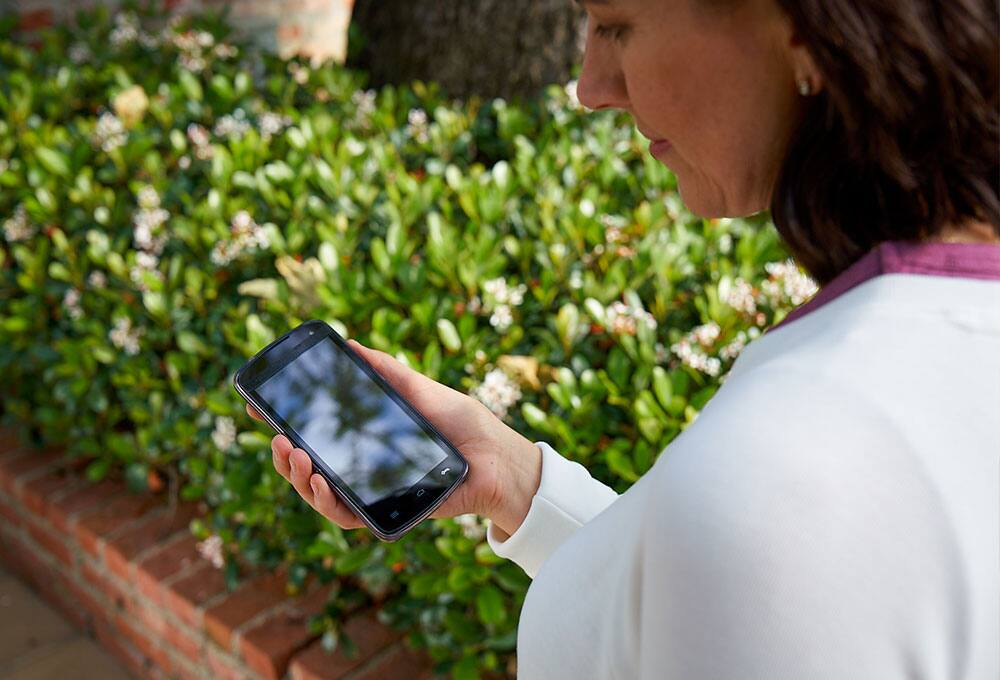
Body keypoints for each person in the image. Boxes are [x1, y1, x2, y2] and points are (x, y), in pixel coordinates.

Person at [248, 0, 999, 676]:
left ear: (807, 27)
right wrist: (516, 481)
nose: (590, 86)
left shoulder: (783, 466)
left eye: (614, 25)